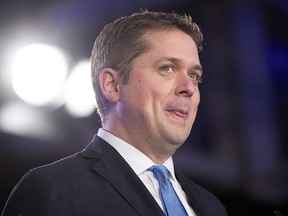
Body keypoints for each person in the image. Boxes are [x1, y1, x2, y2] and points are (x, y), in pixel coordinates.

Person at [2, 10, 228, 216]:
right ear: (112, 85)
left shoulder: (211, 207)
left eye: (194, 75)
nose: (189, 88)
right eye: (167, 68)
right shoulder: (54, 189)